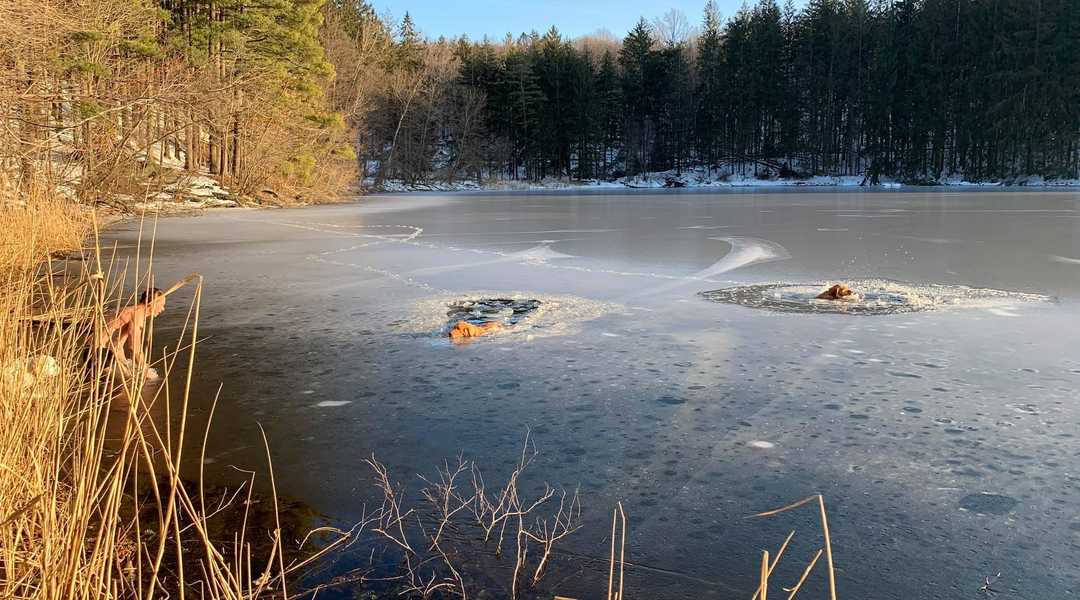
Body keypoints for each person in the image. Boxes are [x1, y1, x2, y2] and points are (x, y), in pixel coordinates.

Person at [93, 288, 166, 379]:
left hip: (102, 352)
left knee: (132, 375)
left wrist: (124, 363)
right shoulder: (137, 314)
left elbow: (116, 344)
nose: (163, 309)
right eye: (161, 305)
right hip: (98, 354)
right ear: (151, 303)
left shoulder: (132, 311)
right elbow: (134, 348)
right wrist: (144, 369)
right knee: (146, 380)